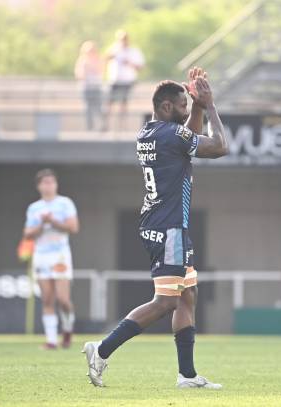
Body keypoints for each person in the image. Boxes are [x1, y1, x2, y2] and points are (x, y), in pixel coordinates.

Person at [82, 67, 228, 389]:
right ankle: (101, 350)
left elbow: (186, 138)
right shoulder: (171, 135)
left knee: (187, 295)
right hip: (170, 228)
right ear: (165, 108)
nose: (187, 109)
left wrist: (197, 106)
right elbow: (219, 147)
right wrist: (211, 105)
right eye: (183, 105)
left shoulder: (150, 132)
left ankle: (187, 376)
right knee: (166, 302)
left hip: (164, 224)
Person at [23, 169, 80, 349]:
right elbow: (28, 233)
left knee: (63, 299)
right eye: (45, 182)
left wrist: (53, 221)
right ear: (39, 186)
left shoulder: (65, 203)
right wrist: (42, 224)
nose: (49, 186)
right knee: (47, 299)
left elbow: (73, 227)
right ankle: (51, 340)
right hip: (41, 256)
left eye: (52, 182)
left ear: (56, 184)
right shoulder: (34, 208)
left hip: (60, 255)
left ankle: (68, 329)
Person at [104, 30, 145, 131]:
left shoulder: (133, 51)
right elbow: (105, 58)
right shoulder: (114, 49)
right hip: (114, 80)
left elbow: (140, 66)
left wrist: (129, 63)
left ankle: (121, 127)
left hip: (127, 81)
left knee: (123, 104)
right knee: (109, 103)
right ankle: (105, 125)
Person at [74, 41, 104, 131]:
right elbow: (79, 75)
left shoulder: (98, 60)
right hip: (86, 88)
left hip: (96, 87)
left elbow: (101, 71)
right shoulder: (82, 61)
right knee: (87, 108)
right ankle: (89, 127)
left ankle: (102, 126)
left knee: (98, 107)